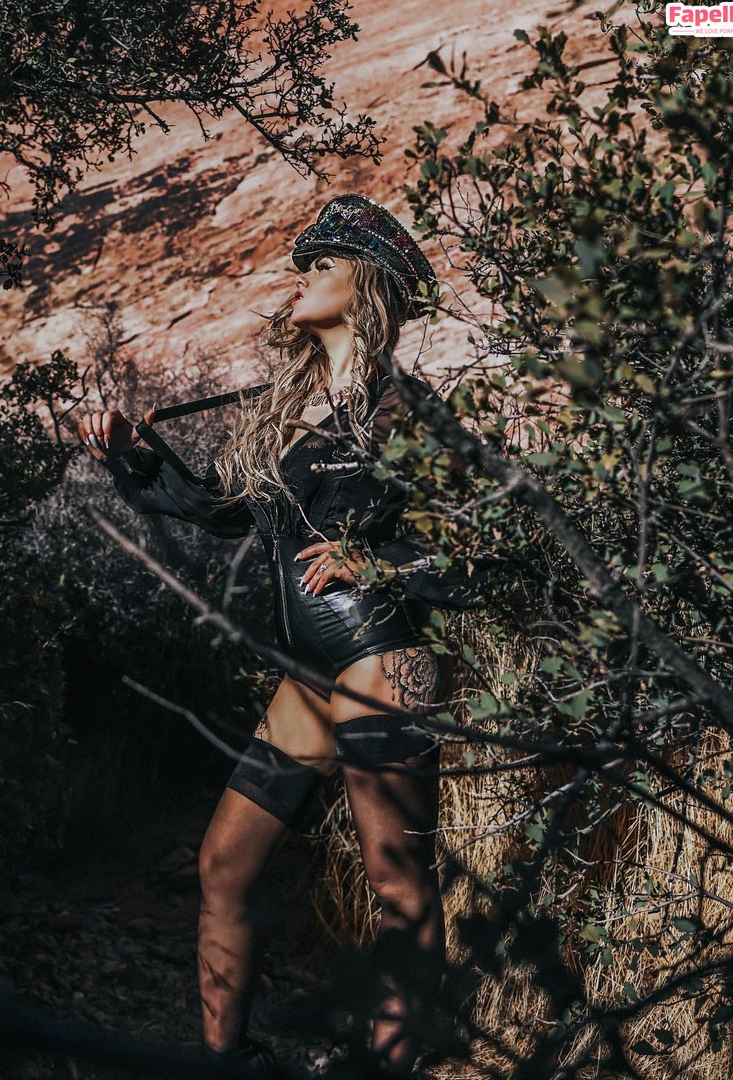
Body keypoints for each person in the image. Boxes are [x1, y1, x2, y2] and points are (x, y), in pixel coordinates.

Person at [79, 194, 455, 1077]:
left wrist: (377, 562)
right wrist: (133, 453)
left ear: (368, 285)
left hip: (385, 657)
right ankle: (229, 1061)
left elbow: (480, 541)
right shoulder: (290, 409)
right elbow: (216, 510)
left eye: (323, 264)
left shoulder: (404, 411)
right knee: (223, 864)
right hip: (311, 675)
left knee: (398, 885)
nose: (301, 276)